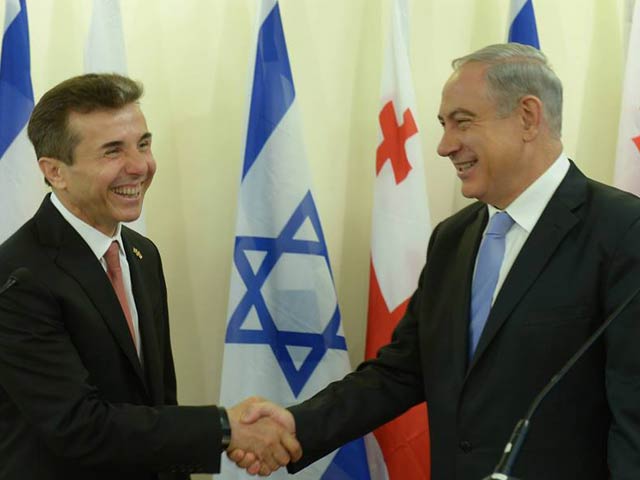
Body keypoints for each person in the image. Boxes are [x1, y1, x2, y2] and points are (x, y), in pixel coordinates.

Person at [231, 43, 640, 479]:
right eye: (443, 125)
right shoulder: (453, 239)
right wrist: (297, 424)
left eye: (462, 122)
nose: (445, 146)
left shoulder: (621, 231)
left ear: (527, 117)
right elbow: (401, 372)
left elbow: (634, 414)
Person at [0, 73, 300, 480]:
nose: (140, 166)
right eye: (112, 151)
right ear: (55, 171)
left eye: (143, 144)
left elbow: (158, 403)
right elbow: (80, 427)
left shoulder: (142, 255)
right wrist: (224, 429)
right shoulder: (18, 278)